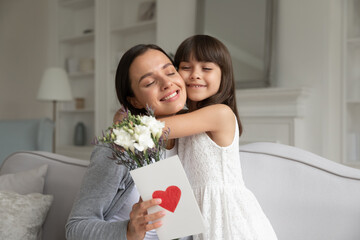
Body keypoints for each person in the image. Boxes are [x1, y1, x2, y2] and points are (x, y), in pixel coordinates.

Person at [150, 35, 278, 239]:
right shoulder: (181, 121)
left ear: (223, 76)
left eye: (206, 68)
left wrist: (127, 117)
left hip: (226, 216)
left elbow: (152, 128)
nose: (195, 75)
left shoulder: (220, 114)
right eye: (185, 67)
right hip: (194, 216)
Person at [65, 44, 191, 240]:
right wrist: (129, 231)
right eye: (149, 82)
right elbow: (76, 227)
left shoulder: (193, 141)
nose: (166, 83)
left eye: (170, 72)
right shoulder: (118, 148)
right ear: (135, 101)